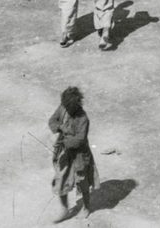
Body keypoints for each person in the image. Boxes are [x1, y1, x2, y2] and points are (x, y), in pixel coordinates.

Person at [48, 86, 97, 222]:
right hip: (64, 154)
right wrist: (59, 127)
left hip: (80, 156)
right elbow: (52, 121)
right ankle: (65, 209)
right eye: (65, 106)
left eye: (70, 107)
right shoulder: (63, 107)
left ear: (76, 105)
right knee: (61, 180)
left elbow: (80, 140)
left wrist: (65, 137)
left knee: (82, 182)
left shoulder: (83, 118)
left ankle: (87, 207)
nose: (67, 109)